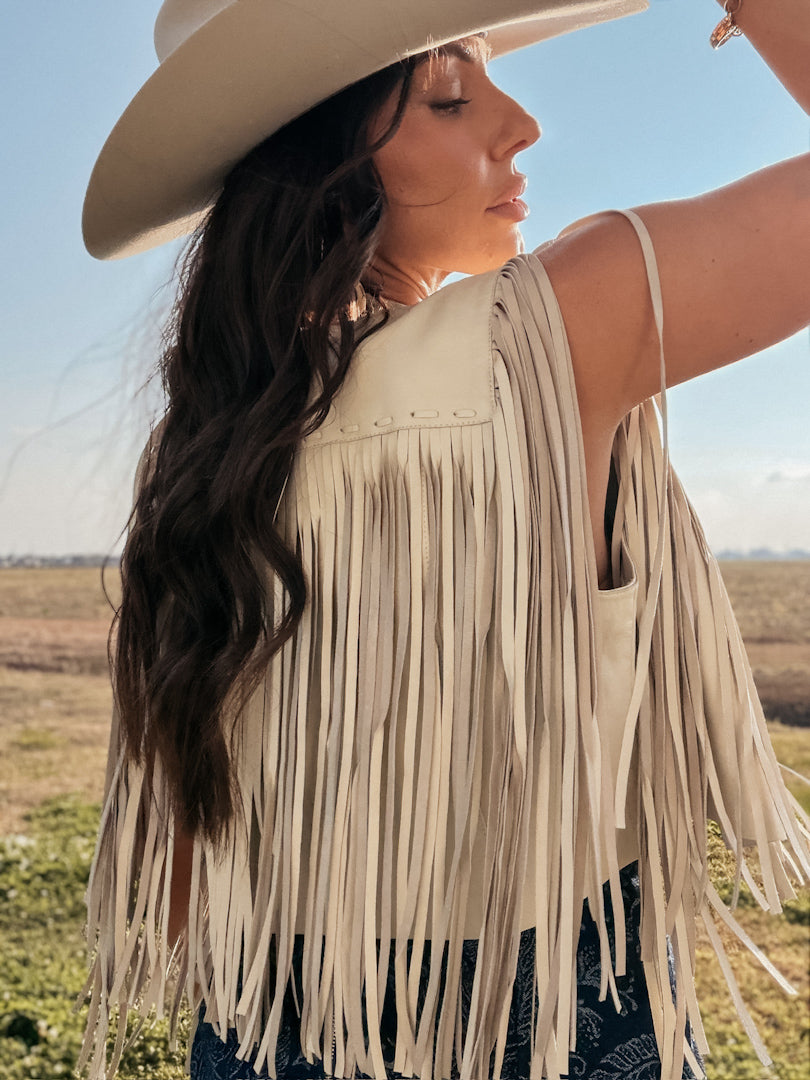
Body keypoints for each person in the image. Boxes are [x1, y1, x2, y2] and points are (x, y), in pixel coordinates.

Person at [76, 2, 810, 1079]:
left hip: (258, 1022)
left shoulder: (203, 447)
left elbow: (188, 864)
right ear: (321, 166)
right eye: (451, 96)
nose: (523, 126)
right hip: (543, 1017)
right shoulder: (552, 324)